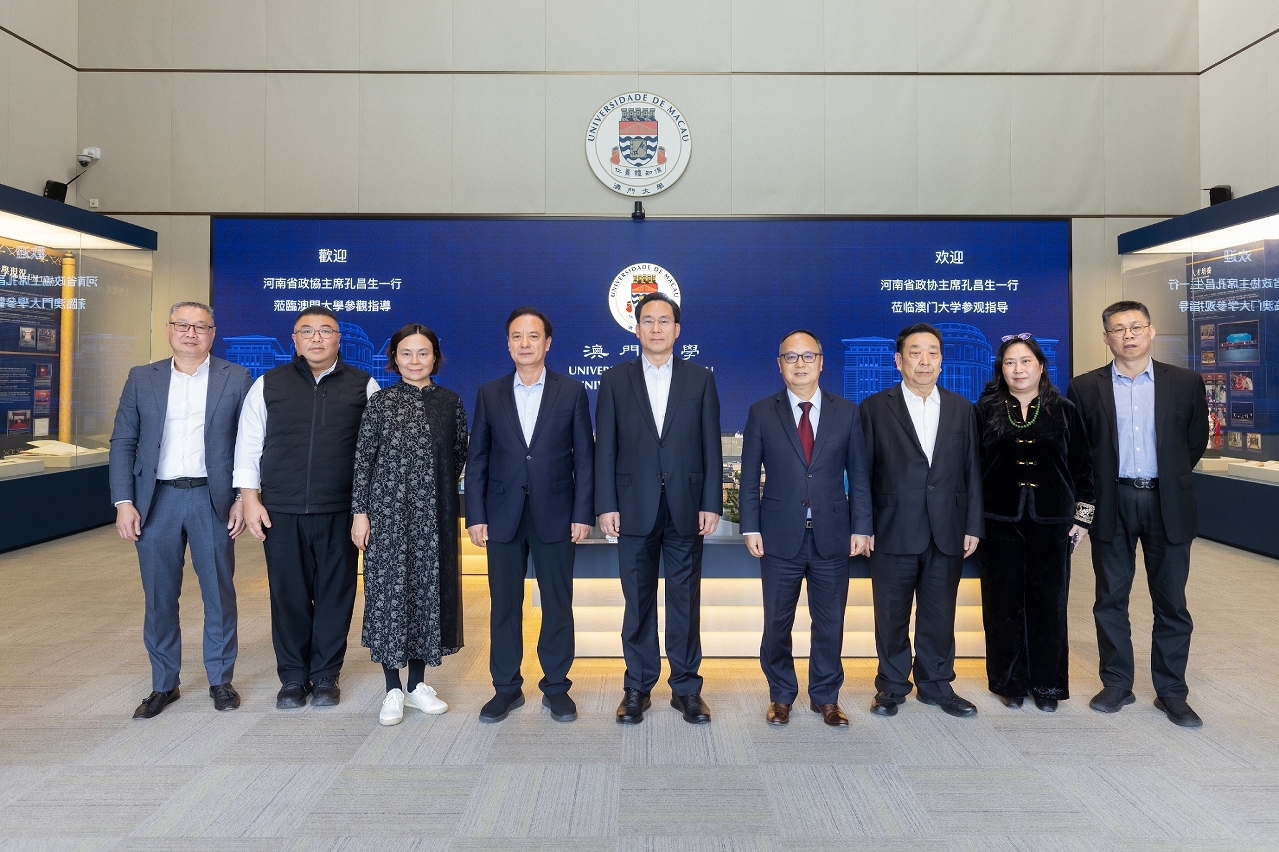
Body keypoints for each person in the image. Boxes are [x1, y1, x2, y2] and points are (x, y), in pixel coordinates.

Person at [1067, 301, 1209, 727]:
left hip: (1167, 501)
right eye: (1118, 329)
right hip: (1112, 501)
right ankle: (1116, 683)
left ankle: (1172, 692)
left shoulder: (1185, 382)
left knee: (1172, 602)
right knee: (1110, 598)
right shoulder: (1084, 387)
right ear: (1106, 337)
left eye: (1135, 327)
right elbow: (1079, 452)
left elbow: (1194, 441)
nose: (1127, 335)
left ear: (1151, 331)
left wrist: (1166, 475)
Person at [109, 302, 253, 719]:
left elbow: (249, 441)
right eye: (183, 325)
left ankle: (220, 680)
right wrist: (123, 501)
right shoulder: (142, 377)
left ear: (213, 333)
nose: (191, 333)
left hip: (213, 499)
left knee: (219, 594)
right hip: (157, 501)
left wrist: (243, 497)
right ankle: (163, 684)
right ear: (169, 330)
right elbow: (123, 442)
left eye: (200, 327)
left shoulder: (236, 377)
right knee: (159, 596)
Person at [234, 306, 378, 709]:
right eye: (307, 331)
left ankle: (327, 674)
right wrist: (249, 499)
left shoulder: (363, 385)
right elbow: (248, 443)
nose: (316, 338)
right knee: (288, 596)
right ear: (294, 340)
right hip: (282, 509)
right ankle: (294, 677)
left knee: (336, 594)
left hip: (341, 510)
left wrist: (365, 509)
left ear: (338, 339)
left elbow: (375, 452)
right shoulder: (268, 383)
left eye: (325, 331)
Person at [595, 292, 723, 725]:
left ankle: (686, 688)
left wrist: (711, 501)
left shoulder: (699, 378)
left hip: (687, 505)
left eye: (664, 321)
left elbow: (710, 445)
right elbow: (605, 448)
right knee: (638, 602)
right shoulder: (615, 379)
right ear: (636, 329)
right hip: (632, 506)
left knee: (685, 601)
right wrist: (606, 504)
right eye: (647, 320)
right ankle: (637, 687)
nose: (656, 328)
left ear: (677, 329)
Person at [465, 307, 594, 724]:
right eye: (517, 336)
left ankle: (556, 687)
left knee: (557, 603)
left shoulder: (571, 391)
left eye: (533, 336)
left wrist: (583, 512)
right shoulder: (489, 393)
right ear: (508, 344)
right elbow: (477, 459)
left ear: (547, 343)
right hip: (502, 515)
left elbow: (585, 459)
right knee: (504, 604)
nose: (525, 343)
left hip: (556, 513)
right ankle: (506, 688)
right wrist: (475, 515)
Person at [739, 330, 872, 727]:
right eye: (791, 357)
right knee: (777, 624)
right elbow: (749, 476)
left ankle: (826, 697)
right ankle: (781, 695)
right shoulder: (762, 412)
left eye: (808, 356)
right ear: (779, 364)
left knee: (829, 623)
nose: (800, 364)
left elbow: (859, 476)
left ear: (821, 362)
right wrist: (750, 526)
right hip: (778, 535)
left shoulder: (846, 412)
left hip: (833, 534)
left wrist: (862, 526)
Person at [860, 322, 984, 718]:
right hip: (891, 528)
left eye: (932, 352)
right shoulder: (874, 408)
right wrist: (863, 526)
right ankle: (892, 686)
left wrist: (973, 524)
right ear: (899, 361)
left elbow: (972, 471)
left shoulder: (962, 408)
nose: (924, 360)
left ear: (942, 361)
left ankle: (936, 685)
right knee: (891, 614)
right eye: (915, 353)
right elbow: (861, 474)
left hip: (947, 529)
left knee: (940, 614)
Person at [351, 323, 468, 726]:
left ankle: (417, 685)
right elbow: (363, 461)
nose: (415, 361)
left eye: (423, 353)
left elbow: (457, 456)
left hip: (433, 517)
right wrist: (360, 513)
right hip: (386, 516)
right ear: (394, 359)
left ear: (435, 357)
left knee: (425, 595)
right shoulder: (381, 403)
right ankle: (392, 690)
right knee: (389, 597)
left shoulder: (450, 402)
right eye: (406, 353)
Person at [975, 334, 1095, 712]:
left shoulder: (1064, 410)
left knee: (1049, 604)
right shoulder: (986, 409)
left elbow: (1084, 468)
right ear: (1001, 369)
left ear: (1040, 366)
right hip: (998, 520)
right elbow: (971, 469)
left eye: (1025, 361)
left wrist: (1083, 519)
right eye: (1010, 362)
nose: (1018, 369)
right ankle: (1009, 682)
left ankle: (1047, 685)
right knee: (1003, 603)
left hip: (1052, 521)